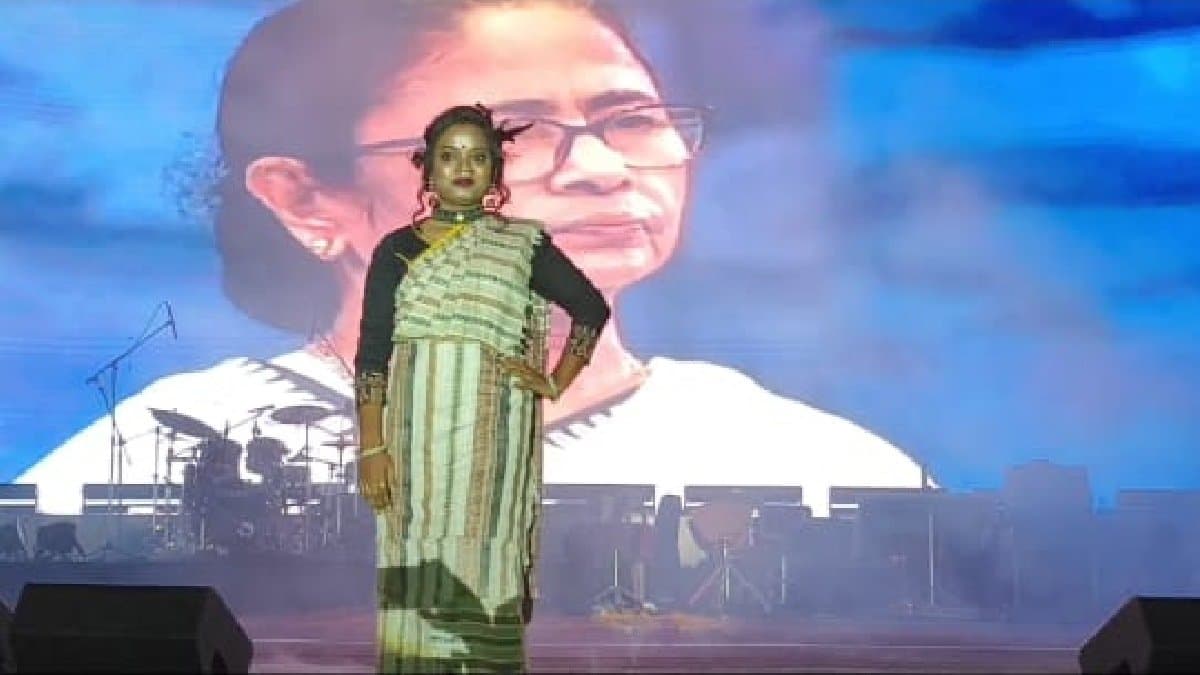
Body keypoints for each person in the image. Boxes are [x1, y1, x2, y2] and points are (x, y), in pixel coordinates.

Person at [20, 0, 924, 522]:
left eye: (630, 120)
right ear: (308, 198)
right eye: (511, 135)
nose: (605, 170)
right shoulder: (161, 452)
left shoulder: (802, 459)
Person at [353, 101, 609, 672]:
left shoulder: (520, 245)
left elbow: (590, 309)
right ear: (426, 171)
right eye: (448, 157)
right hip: (414, 442)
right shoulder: (395, 249)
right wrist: (371, 449)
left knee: (483, 554)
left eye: (478, 157)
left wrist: (555, 381)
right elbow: (371, 357)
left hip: (491, 446)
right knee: (415, 551)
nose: (462, 168)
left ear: (495, 171)